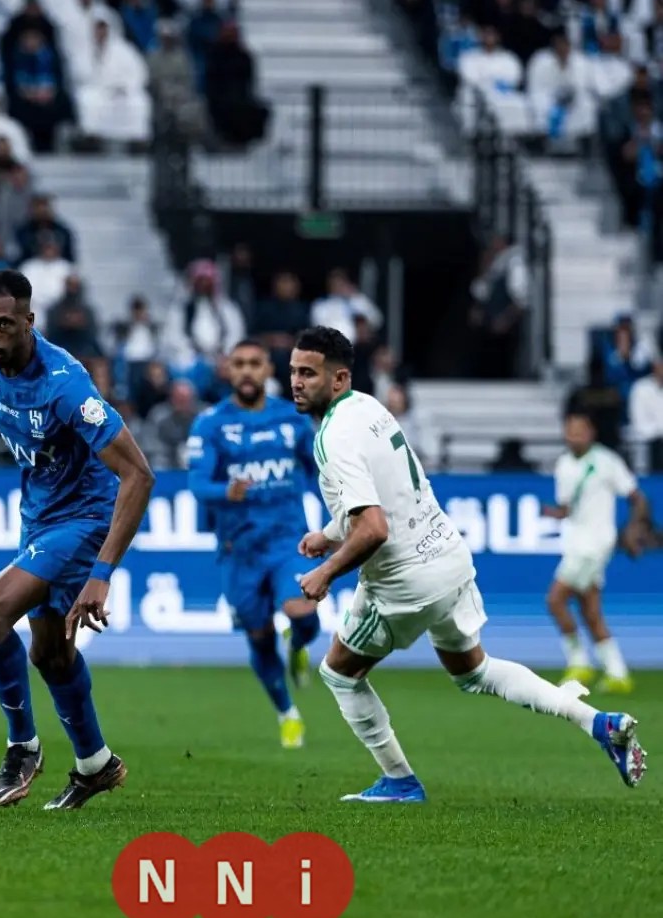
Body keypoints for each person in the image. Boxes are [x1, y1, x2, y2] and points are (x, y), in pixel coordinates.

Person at [289, 326, 646, 802]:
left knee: (339, 672)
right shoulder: (370, 409)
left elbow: (374, 528)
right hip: (448, 557)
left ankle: (399, 781)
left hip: (404, 580)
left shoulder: (332, 437)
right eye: (294, 371)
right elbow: (392, 496)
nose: (296, 382)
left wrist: (325, 572)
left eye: (308, 373)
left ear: (339, 379)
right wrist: (329, 533)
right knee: (475, 672)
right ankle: (597, 722)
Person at [0, 269, 155, 810]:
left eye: (4, 325)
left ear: (29, 322)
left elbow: (139, 475)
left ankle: (22, 747)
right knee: (51, 655)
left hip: (85, 519)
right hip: (39, 515)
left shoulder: (67, 385)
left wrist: (101, 574)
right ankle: (96, 765)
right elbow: (2, 395)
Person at [186, 339, 321, 749]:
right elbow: (197, 483)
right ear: (228, 370)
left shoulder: (292, 419)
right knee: (259, 637)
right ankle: (287, 713)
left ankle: (299, 643)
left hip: (288, 541)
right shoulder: (211, 424)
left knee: (302, 610)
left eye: (254, 363)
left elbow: (319, 470)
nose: (246, 371)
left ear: (268, 370)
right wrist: (225, 491)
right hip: (239, 550)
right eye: (239, 364)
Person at [542, 412, 648, 693]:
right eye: (570, 431)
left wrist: (633, 530)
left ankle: (579, 663)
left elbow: (637, 499)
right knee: (590, 610)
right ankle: (617, 672)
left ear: (591, 433)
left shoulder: (607, 461)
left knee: (555, 600)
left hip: (595, 544)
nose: (575, 436)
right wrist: (555, 514)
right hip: (576, 542)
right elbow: (567, 508)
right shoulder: (564, 464)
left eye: (580, 431)